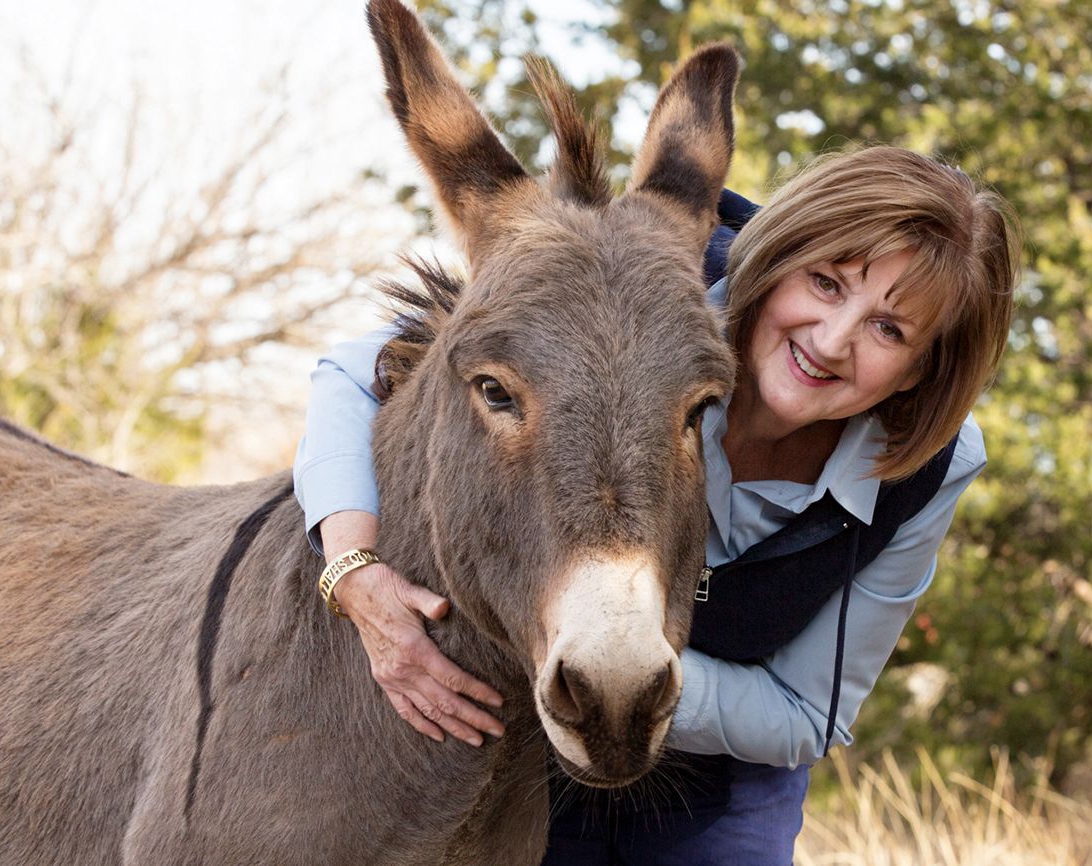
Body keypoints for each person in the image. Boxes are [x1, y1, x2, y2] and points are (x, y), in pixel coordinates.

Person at [293, 145, 1019, 864]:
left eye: (889, 330)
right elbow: (355, 373)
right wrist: (351, 566)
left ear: (921, 371)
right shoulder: (638, 289)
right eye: (826, 284)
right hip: (544, 722)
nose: (831, 341)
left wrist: (639, 670)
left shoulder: (929, 469)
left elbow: (808, 713)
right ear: (776, 260)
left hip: (725, 768)